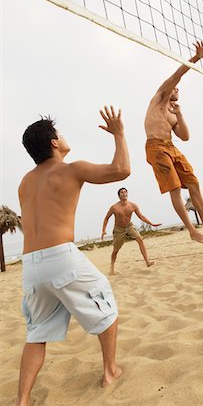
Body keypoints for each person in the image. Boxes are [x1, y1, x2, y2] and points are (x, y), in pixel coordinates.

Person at [16, 106, 129, 406]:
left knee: (36, 334)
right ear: (54, 143)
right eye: (60, 134)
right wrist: (119, 134)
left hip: (30, 266)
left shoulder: (25, 183)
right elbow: (122, 170)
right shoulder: (71, 169)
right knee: (107, 309)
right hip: (60, 256)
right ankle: (110, 371)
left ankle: (22, 400)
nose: (64, 138)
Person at [145, 41, 203, 244]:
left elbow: (185, 136)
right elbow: (177, 76)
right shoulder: (160, 96)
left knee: (193, 183)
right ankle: (192, 230)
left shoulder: (173, 113)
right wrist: (195, 58)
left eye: (179, 90)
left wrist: (180, 115)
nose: (177, 89)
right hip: (155, 147)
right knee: (174, 189)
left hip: (171, 146)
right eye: (176, 88)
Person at [101, 188, 161, 275]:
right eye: (122, 192)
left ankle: (147, 261)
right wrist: (103, 230)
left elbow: (141, 216)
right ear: (119, 196)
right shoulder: (114, 207)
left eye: (125, 192)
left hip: (129, 226)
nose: (124, 193)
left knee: (140, 239)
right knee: (116, 250)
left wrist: (151, 223)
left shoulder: (133, 205)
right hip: (119, 229)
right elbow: (106, 218)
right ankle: (112, 267)